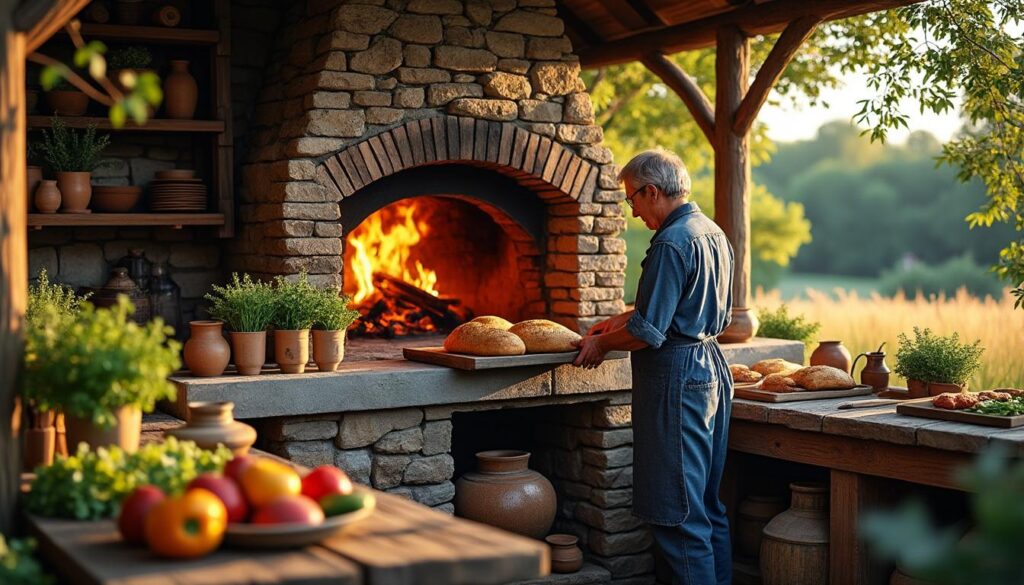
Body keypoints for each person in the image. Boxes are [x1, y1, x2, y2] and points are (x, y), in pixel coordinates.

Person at [573, 148, 735, 585]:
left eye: (632, 200)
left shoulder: (670, 241)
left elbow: (650, 333)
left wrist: (602, 344)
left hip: (678, 381)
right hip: (711, 370)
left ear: (652, 190)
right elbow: (674, 309)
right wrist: (618, 320)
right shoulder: (712, 232)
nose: (634, 211)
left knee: (678, 515)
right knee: (706, 508)